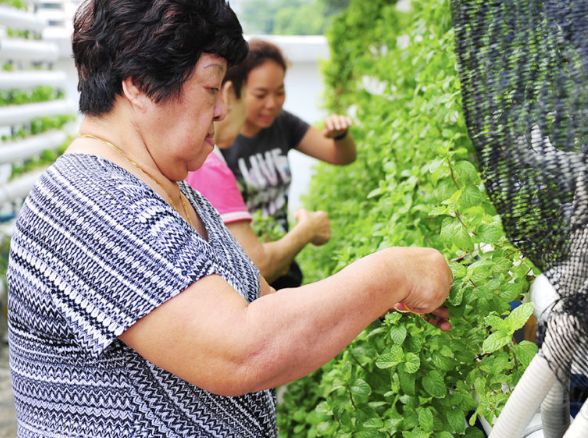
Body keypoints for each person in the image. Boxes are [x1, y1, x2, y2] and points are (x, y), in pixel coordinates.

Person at [6, 0, 452, 436]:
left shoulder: (171, 191)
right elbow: (243, 350)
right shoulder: (88, 200)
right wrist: (393, 273)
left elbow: (268, 310)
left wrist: (375, 303)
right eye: (210, 87)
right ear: (138, 85)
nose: (222, 109)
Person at [221, 38, 357, 289]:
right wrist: (307, 230)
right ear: (235, 92)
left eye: (280, 92)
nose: (272, 103)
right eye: (260, 94)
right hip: (245, 268)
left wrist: (340, 135)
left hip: (283, 258)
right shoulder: (221, 141)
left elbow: (341, 156)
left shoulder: (282, 124)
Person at [186, 63, 331, 283]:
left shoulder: (178, 159)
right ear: (227, 94)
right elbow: (256, 268)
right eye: (249, 97)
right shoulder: (209, 166)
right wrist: (308, 230)